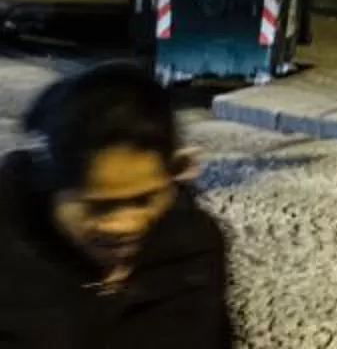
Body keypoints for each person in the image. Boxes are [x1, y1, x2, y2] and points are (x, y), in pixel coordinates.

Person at [0, 61, 235, 344]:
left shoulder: (195, 249)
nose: (125, 224)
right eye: (98, 206)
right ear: (49, 191)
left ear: (173, 175)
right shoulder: (10, 251)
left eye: (144, 199)